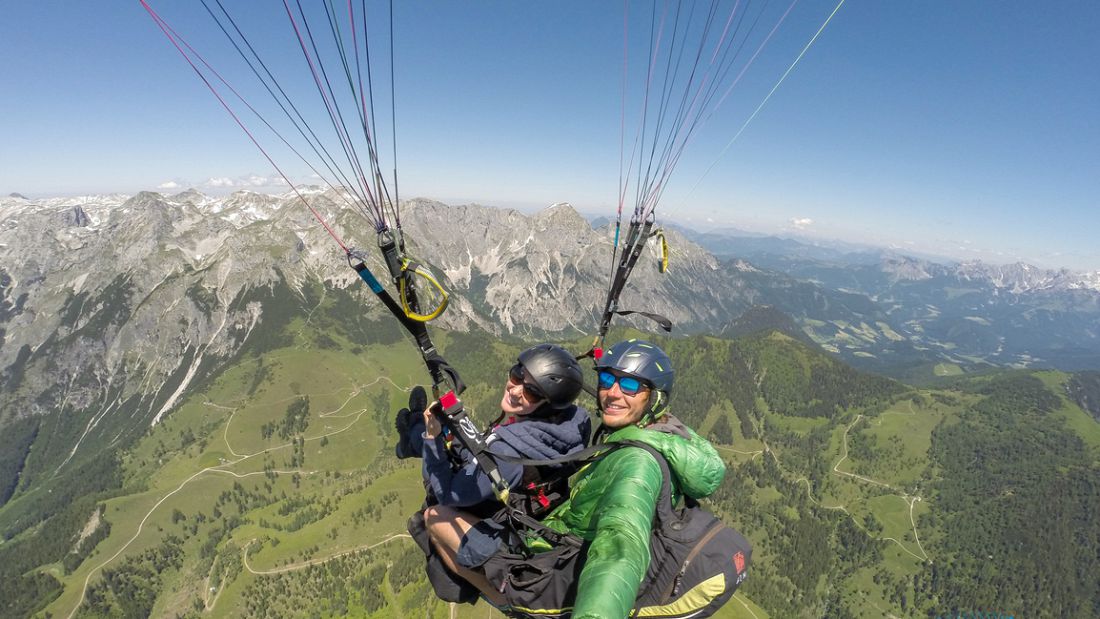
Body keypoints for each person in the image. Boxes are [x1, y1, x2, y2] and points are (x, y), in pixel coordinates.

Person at [424, 339, 726, 618]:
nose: (613, 393)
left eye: (631, 385)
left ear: (655, 398)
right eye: (608, 380)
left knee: (434, 519)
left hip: (556, 563)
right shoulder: (663, 433)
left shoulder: (637, 465)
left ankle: (509, 602)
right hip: (564, 533)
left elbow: (620, 549)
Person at [396, 343, 592, 602]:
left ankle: (502, 600)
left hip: (511, 534)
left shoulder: (509, 454)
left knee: (435, 515)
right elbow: (484, 453)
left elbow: (448, 493)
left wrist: (432, 438)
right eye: (517, 374)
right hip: (531, 511)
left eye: (532, 391)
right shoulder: (564, 427)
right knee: (450, 438)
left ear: (546, 405)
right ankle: (413, 436)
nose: (516, 388)